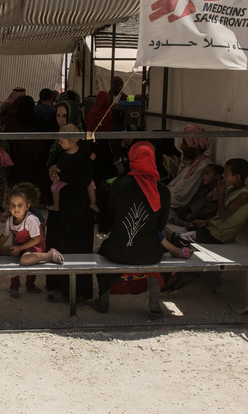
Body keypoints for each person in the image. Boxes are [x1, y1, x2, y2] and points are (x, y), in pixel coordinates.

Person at [94, 141, 171, 316]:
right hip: (149, 253)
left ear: (132, 159)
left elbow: (109, 219)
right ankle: (154, 302)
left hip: (118, 250)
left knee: (103, 252)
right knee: (158, 257)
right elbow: (161, 226)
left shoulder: (119, 185)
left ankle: (103, 300)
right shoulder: (163, 191)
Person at [45, 129, 95, 302]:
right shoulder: (61, 154)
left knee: (76, 248)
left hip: (79, 211)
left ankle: (76, 290)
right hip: (65, 211)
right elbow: (52, 172)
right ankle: (62, 286)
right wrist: (53, 173)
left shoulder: (85, 158)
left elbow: (83, 179)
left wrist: (61, 175)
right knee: (62, 246)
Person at [0, 183, 63, 297]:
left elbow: (36, 240)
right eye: (13, 205)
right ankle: (14, 286)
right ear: (8, 206)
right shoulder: (10, 220)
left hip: (34, 247)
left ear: (27, 205)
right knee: (3, 251)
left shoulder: (31, 219)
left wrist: (20, 248)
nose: (16, 209)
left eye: (20, 205)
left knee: (26, 260)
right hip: (20, 246)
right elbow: (3, 237)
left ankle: (48, 256)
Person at [173, 158, 248, 245]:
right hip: (212, 228)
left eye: (226, 174)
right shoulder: (233, 190)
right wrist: (206, 222)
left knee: (180, 238)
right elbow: (221, 216)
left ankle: (180, 253)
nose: (223, 175)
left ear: (237, 177)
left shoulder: (244, 195)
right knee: (175, 234)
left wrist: (220, 194)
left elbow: (223, 215)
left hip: (219, 234)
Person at [3, 95, 52, 201]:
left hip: (19, 155)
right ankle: (40, 197)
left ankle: (21, 198)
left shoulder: (14, 120)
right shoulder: (40, 119)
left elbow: (7, 136)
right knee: (37, 177)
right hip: (38, 155)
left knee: (22, 178)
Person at [46, 125, 98, 213]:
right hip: (75, 181)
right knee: (91, 186)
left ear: (70, 141)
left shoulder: (64, 156)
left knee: (54, 188)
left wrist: (54, 169)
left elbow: (59, 169)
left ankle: (56, 205)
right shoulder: (82, 150)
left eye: (61, 141)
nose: (59, 143)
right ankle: (93, 203)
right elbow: (93, 156)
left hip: (76, 180)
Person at [167, 125, 212, 210]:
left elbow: (181, 197)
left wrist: (158, 199)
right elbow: (172, 187)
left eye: (185, 143)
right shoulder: (190, 164)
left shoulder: (203, 166)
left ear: (196, 147)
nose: (181, 147)